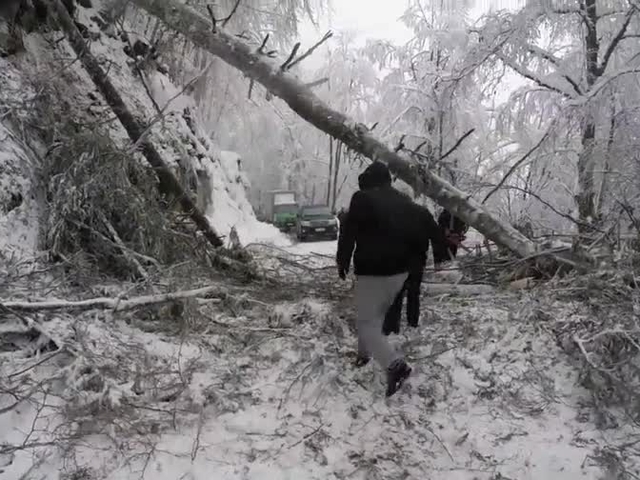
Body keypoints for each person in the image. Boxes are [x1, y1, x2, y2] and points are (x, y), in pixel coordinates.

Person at [336, 161, 430, 397]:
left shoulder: (361, 199)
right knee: (372, 317)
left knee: (368, 323)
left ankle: (395, 366)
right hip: (400, 271)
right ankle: (363, 355)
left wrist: (342, 260)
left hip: (373, 269)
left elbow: (349, 232)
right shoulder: (402, 200)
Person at [382, 205, 450, 336]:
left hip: (395, 261)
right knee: (413, 293)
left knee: (395, 294)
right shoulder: (423, 213)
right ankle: (412, 323)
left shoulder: (391, 211)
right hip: (416, 261)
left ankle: (391, 327)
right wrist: (439, 258)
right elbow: (436, 236)